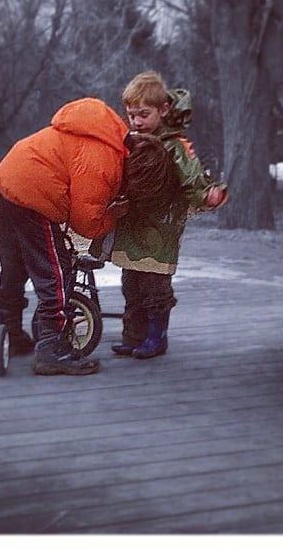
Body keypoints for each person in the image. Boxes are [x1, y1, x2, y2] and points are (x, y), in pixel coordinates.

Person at [0, 96, 178, 375]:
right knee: (56, 272)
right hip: (35, 193)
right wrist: (115, 213)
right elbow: (86, 224)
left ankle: (9, 333)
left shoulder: (107, 137)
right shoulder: (105, 163)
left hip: (11, 178)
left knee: (15, 265)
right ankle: (52, 348)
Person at [92, 71, 228, 360]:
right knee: (131, 283)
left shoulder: (174, 145)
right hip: (133, 223)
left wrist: (207, 194)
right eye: (132, 115)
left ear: (163, 110)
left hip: (161, 226)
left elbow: (191, 176)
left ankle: (157, 337)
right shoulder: (130, 142)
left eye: (144, 114)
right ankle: (133, 335)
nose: (137, 121)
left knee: (155, 284)